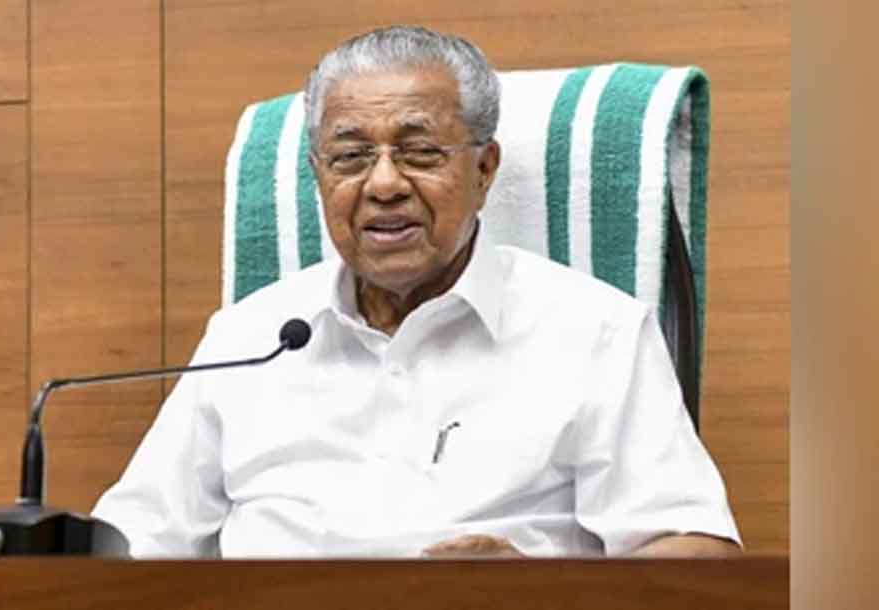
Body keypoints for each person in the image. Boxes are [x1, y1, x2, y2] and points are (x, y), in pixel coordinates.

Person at [92, 25, 741, 559]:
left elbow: (693, 551)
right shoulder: (250, 336)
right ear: (319, 176)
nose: (383, 185)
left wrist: (542, 593)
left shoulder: (596, 330)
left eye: (420, 153)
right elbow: (130, 546)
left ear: (484, 169)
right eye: (350, 157)